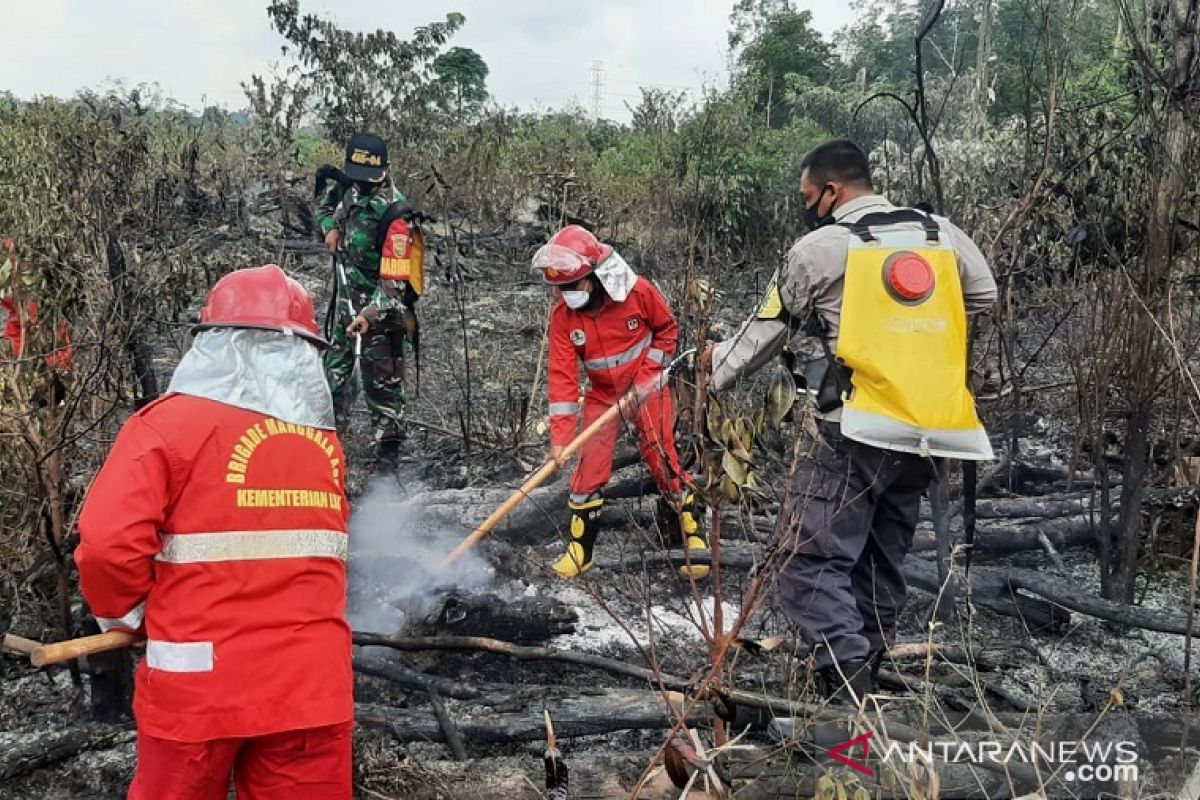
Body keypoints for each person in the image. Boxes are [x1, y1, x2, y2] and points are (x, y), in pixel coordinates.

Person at [709, 139, 997, 702]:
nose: (808, 205)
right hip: (932, 427)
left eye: (809, 195)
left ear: (833, 191)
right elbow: (982, 297)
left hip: (857, 427)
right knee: (881, 555)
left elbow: (766, 331)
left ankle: (844, 687)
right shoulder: (941, 232)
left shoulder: (822, 247)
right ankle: (864, 665)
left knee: (804, 560)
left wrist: (712, 373)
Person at [75, 265, 353, 799]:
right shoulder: (324, 447)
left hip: (197, 688)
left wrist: (125, 617)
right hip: (311, 687)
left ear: (213, 343)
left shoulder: (164, 427)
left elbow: (108, 545)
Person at [534, 225, 707, 580]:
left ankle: (693, 536)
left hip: (647, 387)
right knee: (587, 472)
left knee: (662, 458)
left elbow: (667, 332)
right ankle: (581, 552)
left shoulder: (638, 292)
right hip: (602, 395)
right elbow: (562, 380)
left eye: (572, 286)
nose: (565, 294)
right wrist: (561, 441)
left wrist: (645, 379)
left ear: (593, 278)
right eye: (560, 288)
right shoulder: (563, 318)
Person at [316, 132, 410, 463]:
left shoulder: (397, 216)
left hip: (381, 316)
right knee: (333, 381)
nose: (362, 187)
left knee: (383, 390)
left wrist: (367, 316)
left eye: (369, 181)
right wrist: (330, 226)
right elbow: (323, 206)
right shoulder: (347, 187)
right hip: (345, 308)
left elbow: (394, 284)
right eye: (357, 179)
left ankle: (388, 469)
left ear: (384, 171)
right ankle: (326, 454)